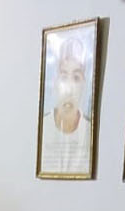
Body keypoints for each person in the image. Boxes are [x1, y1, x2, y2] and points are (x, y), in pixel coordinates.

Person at [39, 37, 93, 174]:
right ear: (55, 82)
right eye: (63, 77)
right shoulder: (42, 128)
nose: (69, 89)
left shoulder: (90, 131)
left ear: (84, 84)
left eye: (76, 78)